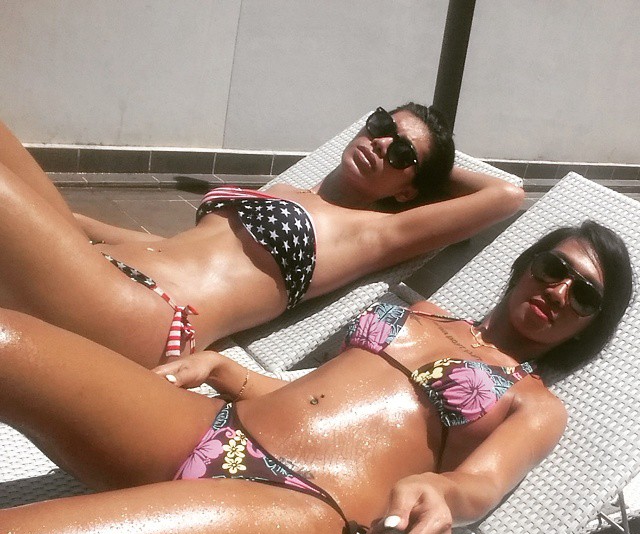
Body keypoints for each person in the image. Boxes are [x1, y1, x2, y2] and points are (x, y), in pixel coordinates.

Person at [0, 221, 632, 534]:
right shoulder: (425, 310)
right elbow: (317, 397)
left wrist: (440, 492)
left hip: (303, 511)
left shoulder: (536, 404)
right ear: (527, 265)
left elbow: (480, 484)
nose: (559, 291)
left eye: (584, 296)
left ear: (588, 327)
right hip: (215, 424)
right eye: (555, 269)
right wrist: (224, 369)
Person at [0, 104, 524, 368]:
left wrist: (434, 173)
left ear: (409, 190)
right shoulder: (290, 191)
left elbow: (505, 195)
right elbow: (175, 248)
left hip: (150, 314)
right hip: (112, 273)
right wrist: (74, 222)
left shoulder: (375, 231)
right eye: (382, 126)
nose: (382, 144)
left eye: (402, 153)